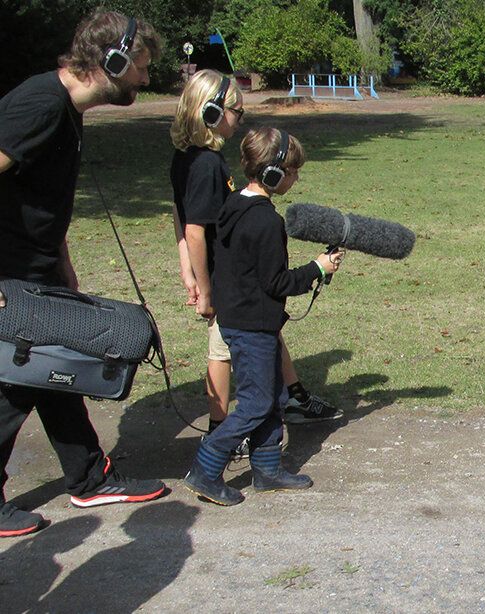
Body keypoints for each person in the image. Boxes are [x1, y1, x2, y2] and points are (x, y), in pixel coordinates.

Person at [0, 10, 167, 538]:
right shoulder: (39, 104)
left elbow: (35, 195)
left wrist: (61, 260)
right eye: (140, 66)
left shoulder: (63, 109)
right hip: (10, 274)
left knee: (57, 367)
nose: (144, 78)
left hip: (38, 266)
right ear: (112, 61)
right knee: (13, 384)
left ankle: (89, 477)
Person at [169, 71, 343, 458]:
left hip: (234, 278)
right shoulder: (205, 165)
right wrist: (204, 287)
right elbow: (195, 230)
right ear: (211, 113)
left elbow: (179, 216)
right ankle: (218, 440)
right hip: (230, 279)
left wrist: (187, 271)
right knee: (226, 352)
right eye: (236, 111)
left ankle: (290, 400)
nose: (240, 119)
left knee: (265, 331)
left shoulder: (192, 158)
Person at [184, 127, 340, 506]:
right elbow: (277, 282)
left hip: (245, 320)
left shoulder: (234, 204)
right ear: (272, 174)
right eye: (292, 171)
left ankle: (267, 468)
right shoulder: (267, 222)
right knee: (255, 404)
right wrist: (318, 268)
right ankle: (205, 469)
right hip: (252, 326)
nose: (296, 177)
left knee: (273, 396)